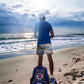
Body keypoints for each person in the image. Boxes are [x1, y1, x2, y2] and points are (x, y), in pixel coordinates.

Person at [34, 14, 55, 84]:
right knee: (50, 59)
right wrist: (48, 37)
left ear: (39, 18)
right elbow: (52, 35)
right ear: (45, 18)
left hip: (40, 43)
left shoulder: (36, 24)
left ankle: (40, 76)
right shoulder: (48, 24)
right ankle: (51, 77)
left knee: (40, 58)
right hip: (48, 43)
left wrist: (40, 37)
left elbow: (35, 35)